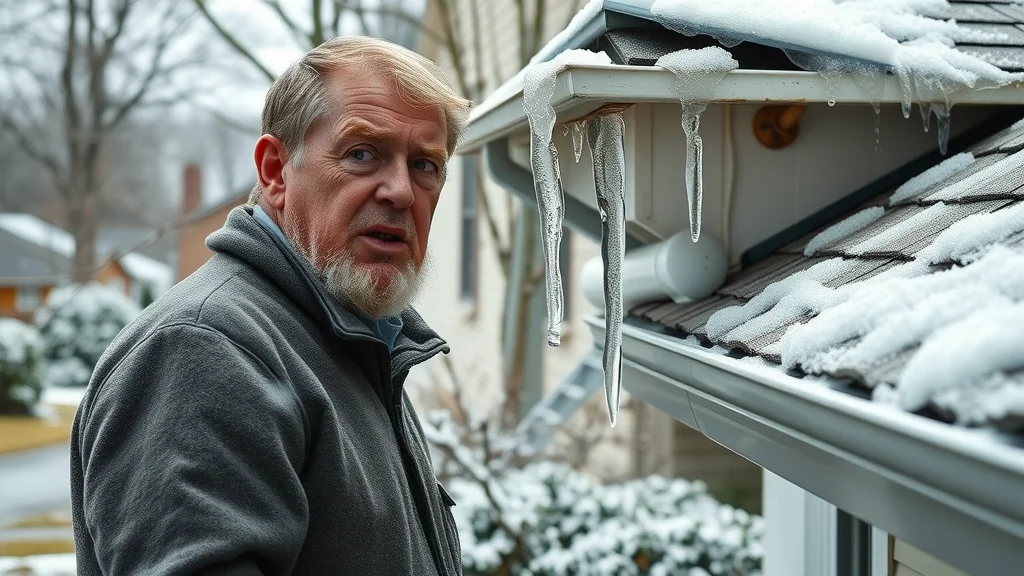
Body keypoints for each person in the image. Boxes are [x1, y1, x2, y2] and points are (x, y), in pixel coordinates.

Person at [69, 36, 471, 575]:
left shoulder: (359, 343)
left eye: (425, 165)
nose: (400, 191)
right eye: (362, 153)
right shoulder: (205, 351)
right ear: (276, 171)